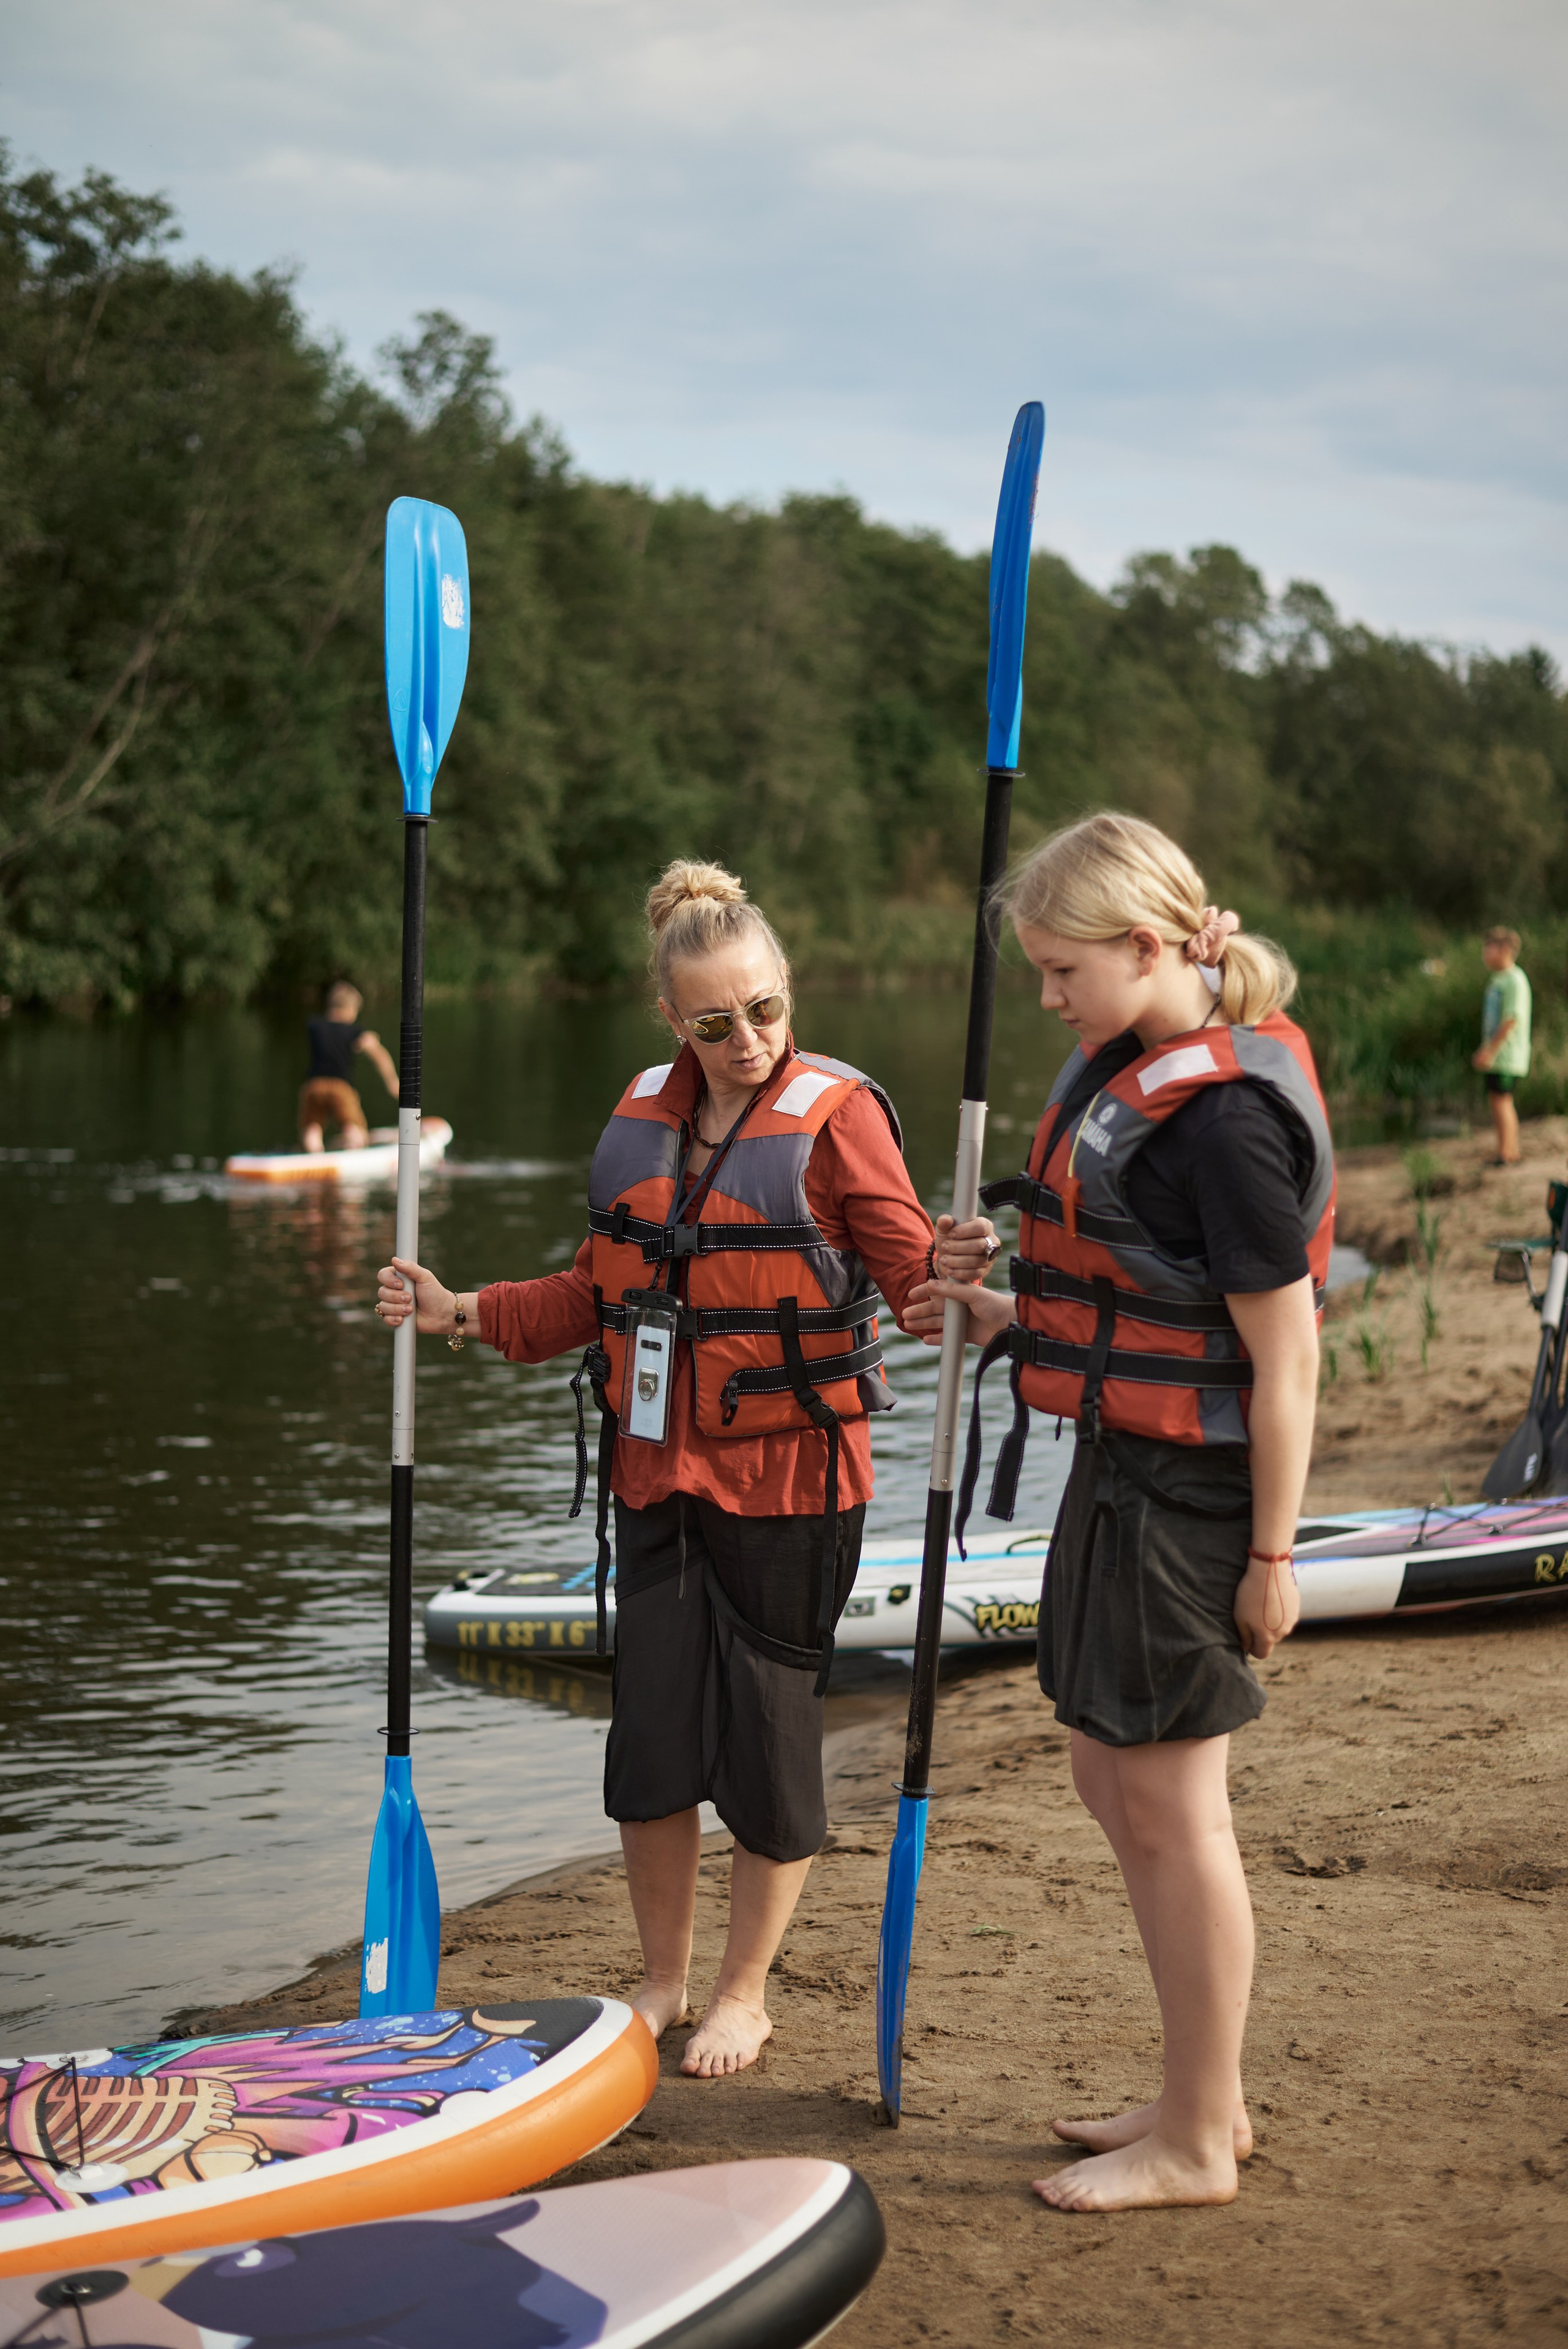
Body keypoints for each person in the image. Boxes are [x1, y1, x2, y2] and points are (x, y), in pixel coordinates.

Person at [375, 861, 947, 2079]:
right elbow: (591, 1293)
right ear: (669, 1025)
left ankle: (744, 1993)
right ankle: (660, 1980)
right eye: (713, 1022)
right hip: (655, 1470)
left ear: (787, 995)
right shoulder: (642, 1114)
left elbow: (914, 1288)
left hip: (791, 1478)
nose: (747, 1040)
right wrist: (457, 1309)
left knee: (766, 1734)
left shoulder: (839, 1118)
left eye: (766, 1012)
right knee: (648, 1741)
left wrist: (956, 1273)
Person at [910, 812, 1335, 2214]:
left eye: (1056, 969)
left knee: (1168, 1801)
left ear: (1146, 945)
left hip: (1195, 1490)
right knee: (1109, 1774)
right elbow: (1132, 1288)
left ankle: (1201, 2139)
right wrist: (992, 1304)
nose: (1043, 997)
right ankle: (1192, 2089)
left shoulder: (1221, 1119)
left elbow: (1285, 1356)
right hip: (1116, 1457)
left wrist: (1271, 1555)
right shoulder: (1133, 1070)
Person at [299, 981, 400, 1151]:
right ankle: (356, 1149)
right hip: (341, 1087)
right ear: (350, 1010)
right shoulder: (354, 1030)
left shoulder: (315, 1025)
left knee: (313, 1126)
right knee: (353, 1127)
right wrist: (392, 1082)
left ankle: (314, 1156)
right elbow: (378, 1054)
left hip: (313, 1086)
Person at [1472, 927, 1531, 1167]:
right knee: (1497, 1099)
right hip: (1497, 1056)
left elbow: (1511, 1019)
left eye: (1490, 948)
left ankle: (1508, 1154)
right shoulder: (1497, 979)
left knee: (1502, 1100)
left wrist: (1490, 1050)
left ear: (1506, 950)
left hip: (1507, 1055)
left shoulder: (1515, 980)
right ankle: (1505, 1150)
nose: (1485, 953)